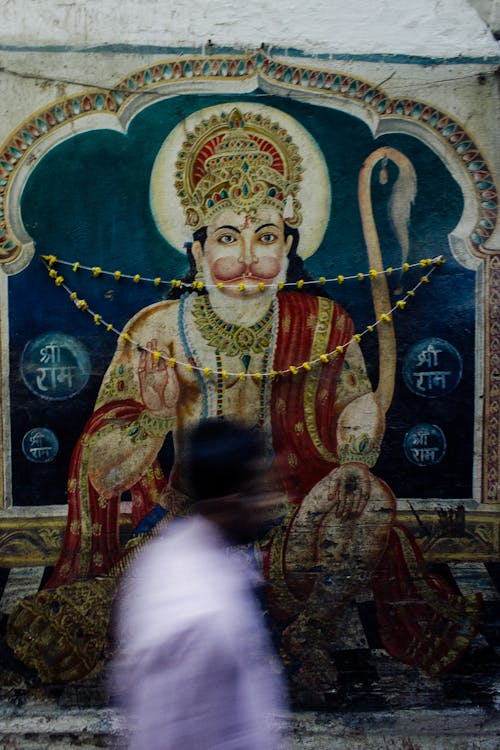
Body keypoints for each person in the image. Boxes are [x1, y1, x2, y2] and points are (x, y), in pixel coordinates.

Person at [7, 103, 481, 693]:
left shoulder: (325, 323)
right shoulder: (155, 330)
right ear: (199, 251)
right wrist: (151, 419)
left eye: (267, 237)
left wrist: (358, 433)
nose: (250, 258)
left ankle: (307, 631)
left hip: (297, 536)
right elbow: (101, 476)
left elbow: (355, 426)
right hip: (183, 533)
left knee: (371, 499)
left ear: (288, 247)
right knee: (116, 609)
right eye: (228, 237)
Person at [109, 419, 288, 750]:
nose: (267, 504)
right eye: (258, 492)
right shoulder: (202, 615)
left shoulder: (168, 558)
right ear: (229, 501)